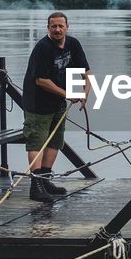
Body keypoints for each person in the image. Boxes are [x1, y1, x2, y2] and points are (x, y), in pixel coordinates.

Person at [21, 11, 91, 202]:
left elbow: (87, 72)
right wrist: (68, 94)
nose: (58, 29)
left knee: (55, 142)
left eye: (61, 26)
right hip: (37, 103)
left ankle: (45, 179)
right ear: (48, 28)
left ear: (67, 27)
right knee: (37, 142)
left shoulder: (73, 44)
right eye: (54, 26)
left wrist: (85, 92)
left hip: (57, 102)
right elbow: (42, 81)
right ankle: (36, 187)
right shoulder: (43, 48)